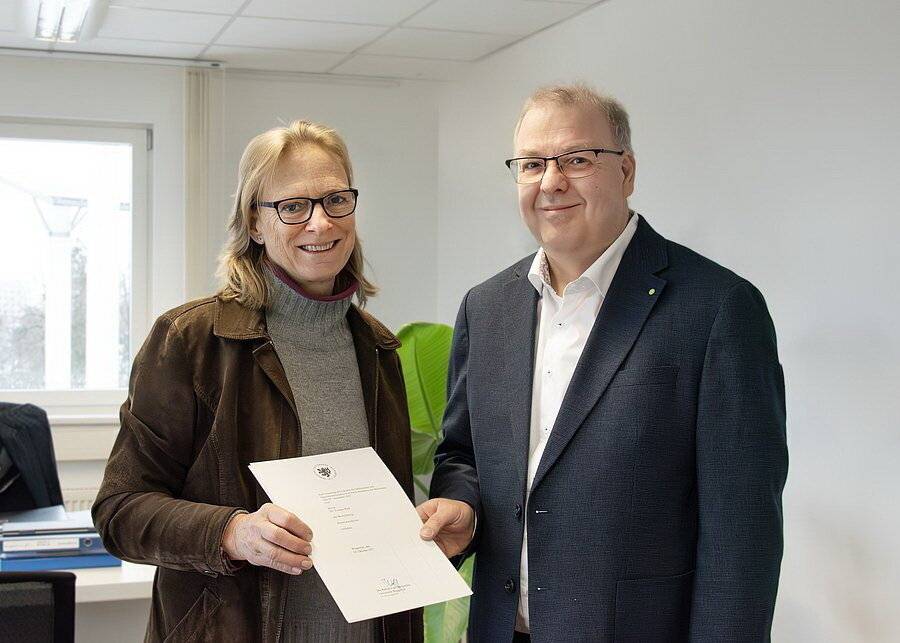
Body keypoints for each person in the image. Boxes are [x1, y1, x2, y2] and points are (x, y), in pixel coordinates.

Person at [418, 84, 788, 642]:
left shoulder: (717, 309)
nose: (551, 181)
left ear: (627, 171)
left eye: (577, 159)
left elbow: (742, 531)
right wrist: (462, 505)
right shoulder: (487, 306)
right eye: (532, 163)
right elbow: (463, 453)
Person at [93, 120, 422, 642]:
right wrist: (231, 532)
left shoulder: (377, 350)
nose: (320, 223)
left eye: (336, 199)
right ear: (253, 222)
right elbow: (120, 512)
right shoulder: (191, 341)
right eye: (292, 206)